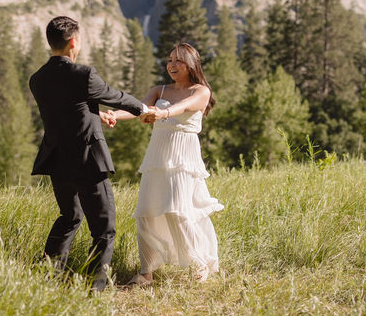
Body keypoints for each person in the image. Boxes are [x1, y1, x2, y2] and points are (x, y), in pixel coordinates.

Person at [29, 16, 152, 292]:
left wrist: (96, 115)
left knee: (69, 218)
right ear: (74, 41)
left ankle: (48, 279)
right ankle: (95, 290)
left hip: (57, 161)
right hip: (87, 162)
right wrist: (144, 110)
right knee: (104, 228)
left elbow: (71, 110)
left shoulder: (37, 79)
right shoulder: (84, 75)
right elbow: (115, 96)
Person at [102, 42, 223, 286]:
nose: (172, 65)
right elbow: (139, 109)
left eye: (178, 60)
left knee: (178, 211)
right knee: (146, 211)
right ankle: (146, 272)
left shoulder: (201, 91)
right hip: (157, 156)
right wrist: (114, 115)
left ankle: (200, 263)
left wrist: (162, 113)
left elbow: (183, 108)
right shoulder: (160, 89)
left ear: (191, 64)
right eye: (169, 60)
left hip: (183, 158)